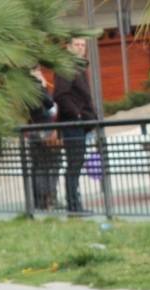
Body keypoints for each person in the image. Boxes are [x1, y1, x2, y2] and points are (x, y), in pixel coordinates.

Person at [53, 38, 97, 214]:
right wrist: (77, 115)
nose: (80, 48)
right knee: (74, 164)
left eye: (83, 45)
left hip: (81, 123)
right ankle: (73, 205)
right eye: (76, 45)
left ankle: (75, 203)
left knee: (77, 164)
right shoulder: (67, 67)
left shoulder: (79, 67)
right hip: (73, 123)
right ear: (69, 47)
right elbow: (60, 95)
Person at [26, 67, 60, 211]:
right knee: (52, 165)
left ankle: (39, 201)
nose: (41, 73)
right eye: (38, 71)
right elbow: (51, 107)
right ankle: (49, 199)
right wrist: (44, 86)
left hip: (32, 130)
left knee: (38, 166)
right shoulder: (37, 86)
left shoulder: (21, 88)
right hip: (45, 129)